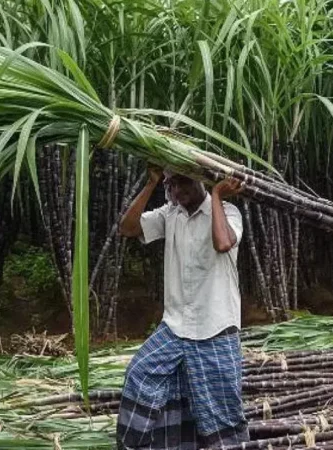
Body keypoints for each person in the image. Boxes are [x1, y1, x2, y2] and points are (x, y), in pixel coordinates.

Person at [116, 166, 248, 450]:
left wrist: (215, 195)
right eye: (171, 185)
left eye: (184, 182)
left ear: (200, 179)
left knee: (221, 412)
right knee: (139, 374)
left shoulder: (228, 213)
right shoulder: (170, 214)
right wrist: (151, 183)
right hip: (175, 327)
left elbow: (223, 243)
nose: (177, 191)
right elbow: (127, 228)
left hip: (215, 328)